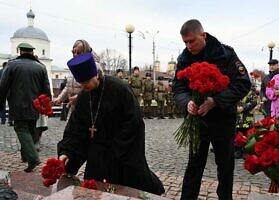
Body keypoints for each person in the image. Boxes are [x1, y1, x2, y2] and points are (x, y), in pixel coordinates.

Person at [57, 52, 165, 195]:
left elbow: (134, 121)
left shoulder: (119, 89)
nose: (84, 86)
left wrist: (116, 147)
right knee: (95, 191)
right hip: (97, 154)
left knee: (128, 188)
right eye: (81, 83)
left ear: (96, 74)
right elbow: (76, 129)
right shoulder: (84, 96)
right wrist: (67, 152)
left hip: (120, 151)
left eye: (87, 81)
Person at [173, 19, 251, 200]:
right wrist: (187, 103)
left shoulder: (225, 54)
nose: (188, 46)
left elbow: (242, 83)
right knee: (194, 166)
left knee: (225, 167)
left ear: (203, 35)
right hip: (197, 121)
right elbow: (178, 87)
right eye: (185, 42)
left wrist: (215, 101)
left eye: (192, 41)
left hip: (223, 119)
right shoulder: (184, 59)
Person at [0, 43, 51, 172]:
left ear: (20, 51)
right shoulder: (41, 67)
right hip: (35, 105)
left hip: (17, 105)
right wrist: (45, 105)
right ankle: (25, 156)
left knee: (21, 129)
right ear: (32, 52)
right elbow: (47, 90)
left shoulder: (12, 65)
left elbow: (3, 86)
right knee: (30, 128)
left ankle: (33, 158)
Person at [54, 39, 100, 114]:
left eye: (78, 52)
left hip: (88, 108)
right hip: (74, 107)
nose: (75, 55)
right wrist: (60, 98)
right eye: (73, 52)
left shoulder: (95, 66)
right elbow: (68, 86)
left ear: (85, 51)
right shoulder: (74, 66)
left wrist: (79, 97)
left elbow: (96, 87)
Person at [234, 85, 257, 159]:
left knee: (247, 135)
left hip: (247, 118)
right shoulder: (235, 90)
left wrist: (244, 108)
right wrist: (235, 108)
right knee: (237, 135)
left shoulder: (250, 92)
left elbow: (254, 102)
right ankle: (238, 150)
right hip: (237, 118)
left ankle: (246, 151)